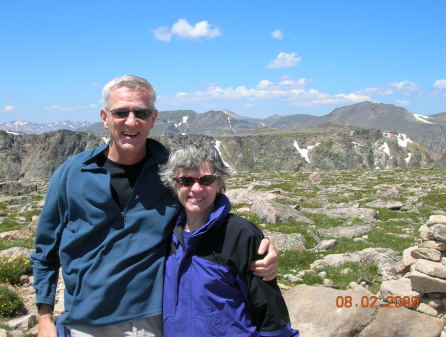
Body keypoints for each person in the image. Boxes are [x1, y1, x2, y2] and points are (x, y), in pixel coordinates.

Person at [31, 75, 279, 337]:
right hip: (87, 322)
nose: (131, 121)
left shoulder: (171, 171)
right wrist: (45, 318)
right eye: (121, 112)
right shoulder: (71, 174)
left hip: (155, 321)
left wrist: (256, 246)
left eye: (141, 112)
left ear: (153, 118)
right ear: (105, 117)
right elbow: (45, 249)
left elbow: (208, 205)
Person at [160, 142, 299, 337]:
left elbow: (271, 314)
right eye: (186, 181)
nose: (196, 188)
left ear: (219, 182)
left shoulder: (241, 234)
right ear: (174, 184)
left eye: (206, 180)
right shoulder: (166, 233)